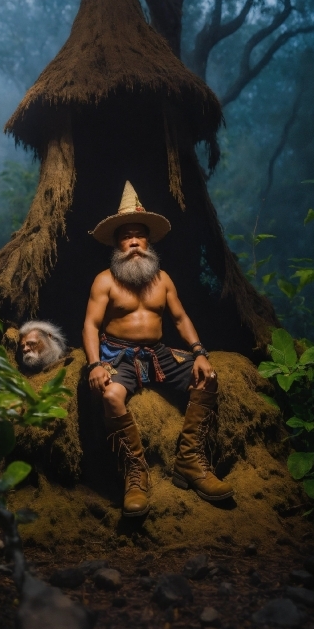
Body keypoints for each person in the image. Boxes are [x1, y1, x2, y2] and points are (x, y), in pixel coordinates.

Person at [82, 181, 234, 517]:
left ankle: (190, 463)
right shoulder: (104, 280)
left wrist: (199, 353)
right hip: (118, 355)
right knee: (110, 396)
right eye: (126, 236)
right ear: (117, 243)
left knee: (208, 379)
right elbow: (91, 326)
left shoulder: (163, 279)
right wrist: (94, 365)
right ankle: (136, 477)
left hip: (159, 355)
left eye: (139, 234)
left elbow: (181, 319)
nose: (133, 241)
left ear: (148, 240)